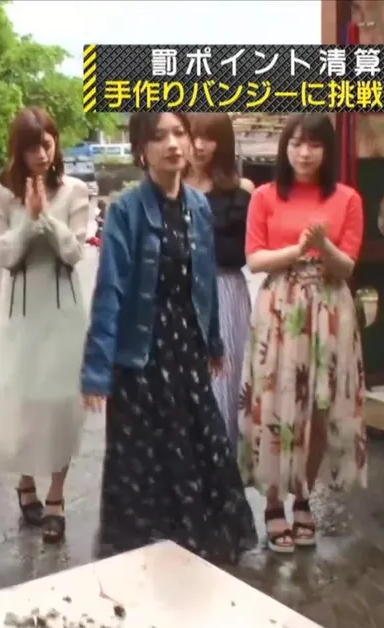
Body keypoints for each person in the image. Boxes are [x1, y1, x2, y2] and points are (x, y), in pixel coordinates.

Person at [82, 111, 257, 565]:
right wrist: (97, 370)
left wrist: (214, 342)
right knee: (144, 459)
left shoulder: (199, 205)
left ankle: (194, 547)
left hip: (186, 349)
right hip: (141, 353)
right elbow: (111, 290)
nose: (173, 144)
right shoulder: (125, 209)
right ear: (142, 149)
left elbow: (205, 282)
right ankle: (145, 557)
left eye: (179, 133)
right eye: (159, 137)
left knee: (200, 445)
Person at [240, 114, 368, 554]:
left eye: (314, 144)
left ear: (327, 150)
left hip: (330, 307)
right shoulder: (265, 196)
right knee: (277, 404)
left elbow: (347, 266)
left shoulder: (347, 198)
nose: (304, 153)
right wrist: (298, 249)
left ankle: (303, 498)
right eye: (296, 143)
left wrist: (323, 246)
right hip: (280, 306)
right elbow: (255, 258)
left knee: (318, 406)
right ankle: (274, 503)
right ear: (285, 148)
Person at [0, 107, 91, 544]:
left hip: (63, 312)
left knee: (63, 402)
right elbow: (2, 256)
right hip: (20, 315)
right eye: (31, 148)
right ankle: (25, 482)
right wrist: (28, 220)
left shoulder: (75, 190)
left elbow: (74, 252)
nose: (42, 155)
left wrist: (45, 217)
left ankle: (57, 498)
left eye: (47, 144)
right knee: (21, 401)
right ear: (18, 150)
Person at [186, 112, 256, 448]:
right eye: (193, 136)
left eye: (209, 138)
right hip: (178, 292)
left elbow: (241, 253)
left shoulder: (241, 189)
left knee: (224, 383)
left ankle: (224, 464)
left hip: (225, 290)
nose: (199, 146)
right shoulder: (168, 187)